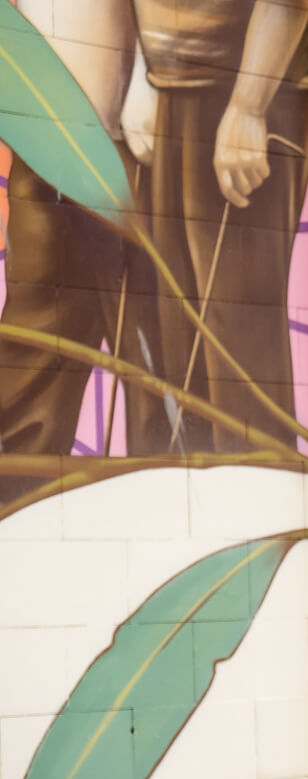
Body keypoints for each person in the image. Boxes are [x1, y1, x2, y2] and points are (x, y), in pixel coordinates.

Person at [0, 0, 171, 506]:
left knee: (148, 348)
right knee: (36, 344)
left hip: (124, 143)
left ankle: (156, 506)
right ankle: (19, 507)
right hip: (42, 147)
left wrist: (149, 73)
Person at [127, 0, 308, 453]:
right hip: (175, 85)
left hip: (238, 92)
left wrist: (248, 106)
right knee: (179, 339)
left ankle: (255, 511)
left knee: (234, 347)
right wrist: (144, 73)